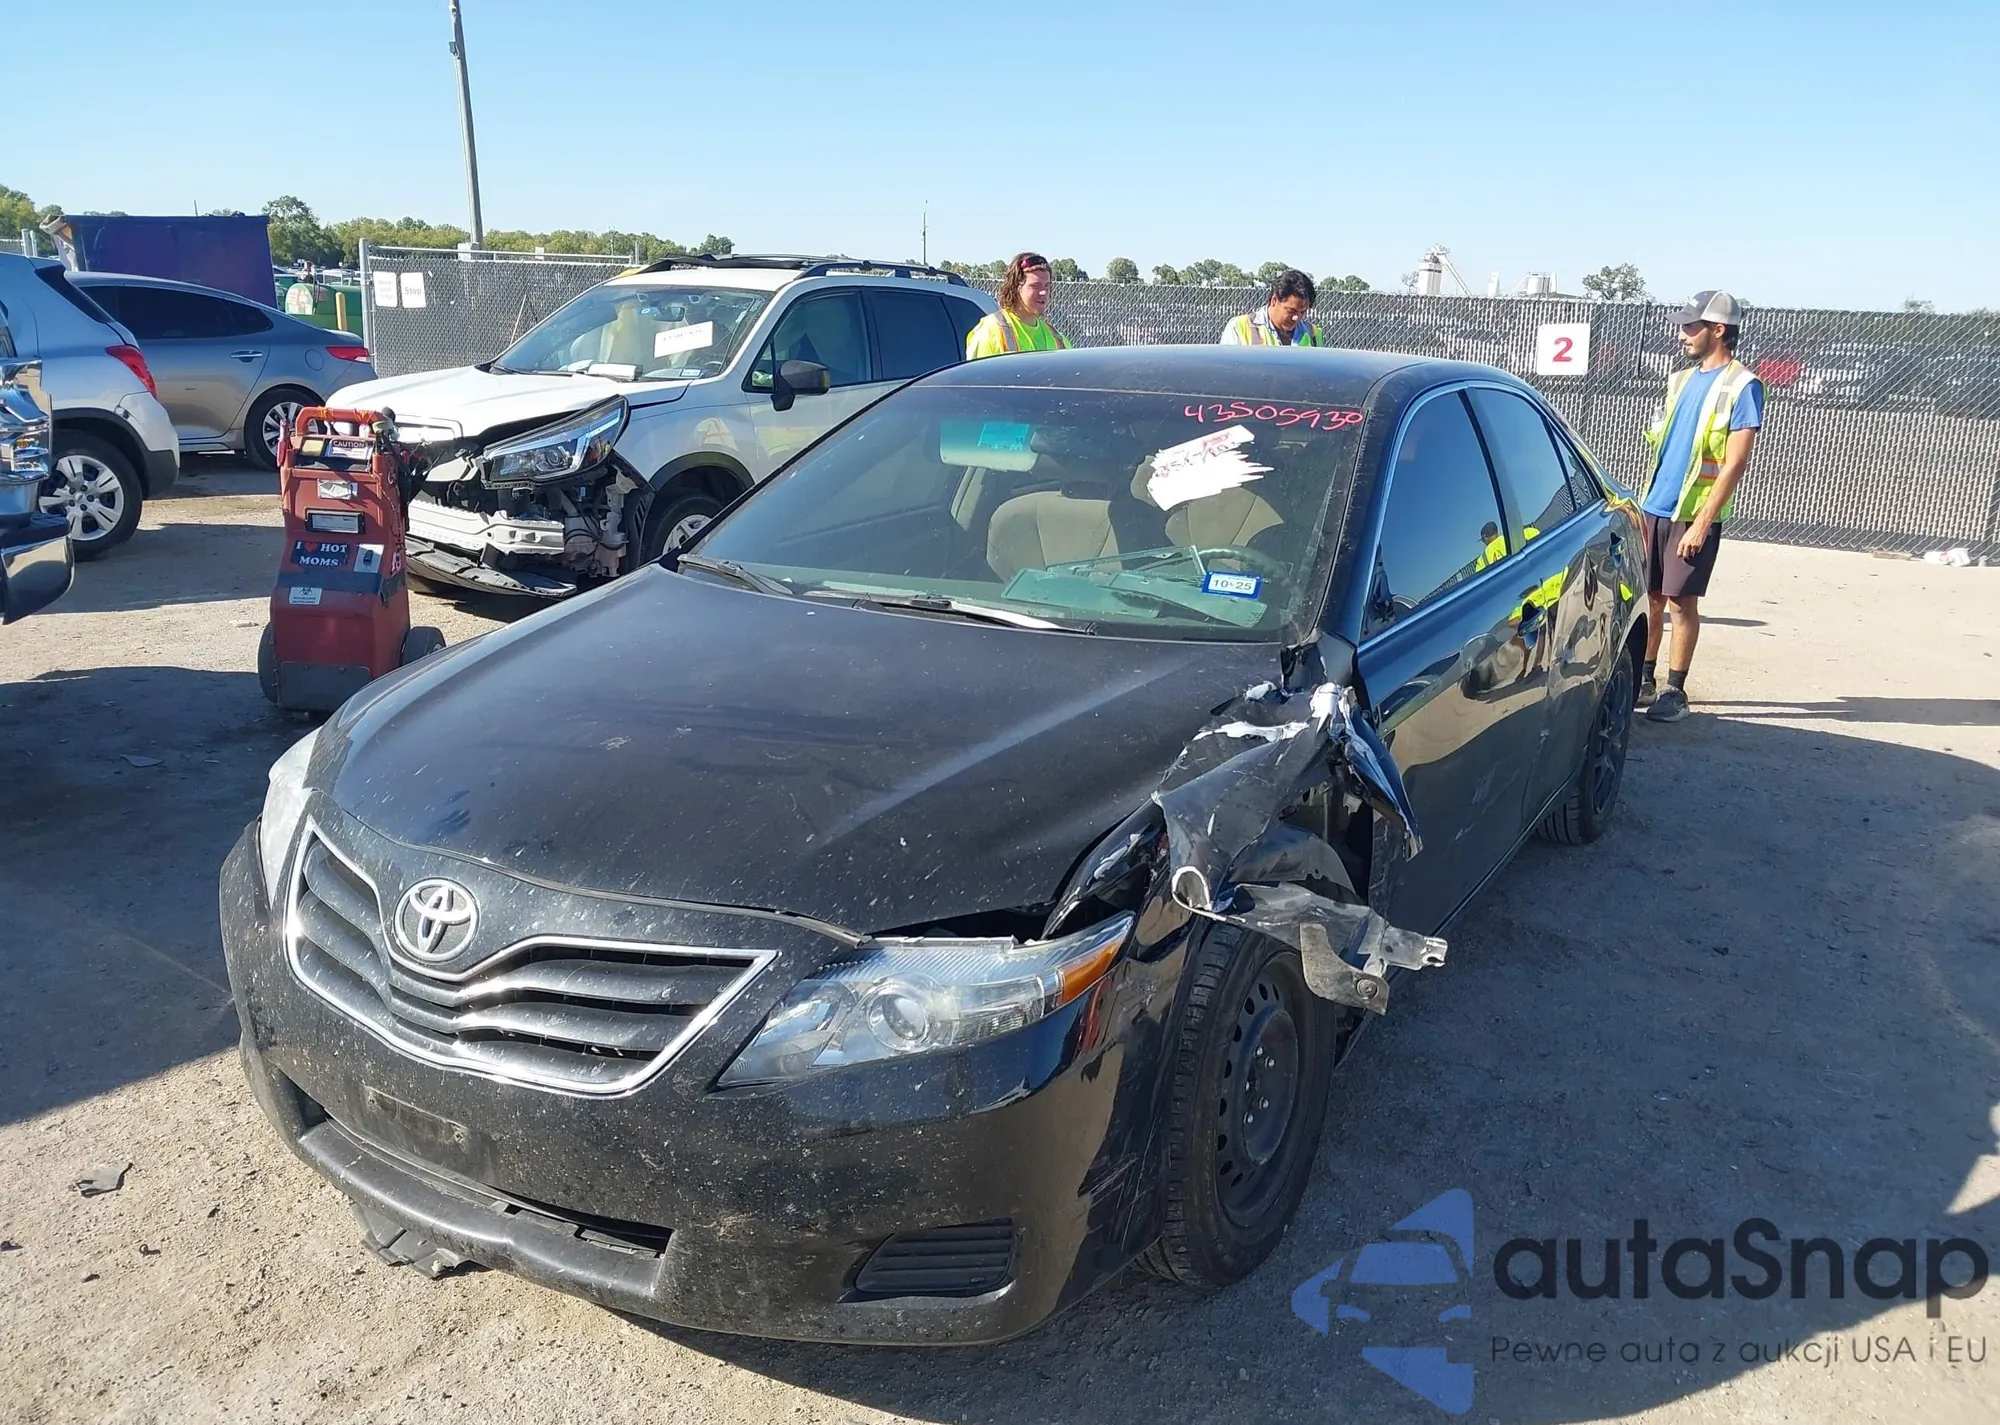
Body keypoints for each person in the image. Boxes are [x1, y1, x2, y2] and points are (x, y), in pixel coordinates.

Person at [1638, 290, 1764, 723]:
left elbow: (1735, 463)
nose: (1682, 335)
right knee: (1651, 599)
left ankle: (1675, 690)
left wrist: (1702, 523)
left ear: (1718, 329)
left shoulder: (1743, 386)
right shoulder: (1680, 380)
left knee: (1680, 603)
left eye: (1690, 327)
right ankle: (1644, 678)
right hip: (1656, 506)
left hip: (1692, 514)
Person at [965, 253, 1072, 359]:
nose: (1043, 292)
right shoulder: (990, 332)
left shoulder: (1059, 340)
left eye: (1047, 286)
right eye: (1035, 286)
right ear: (1015, 287)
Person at [1220, 270, 1324, 347]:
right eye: (1291, 311)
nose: (1296, 318)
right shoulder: (1239, 327)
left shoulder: (1313, 334)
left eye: (1302, 312)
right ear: (1274, 300)